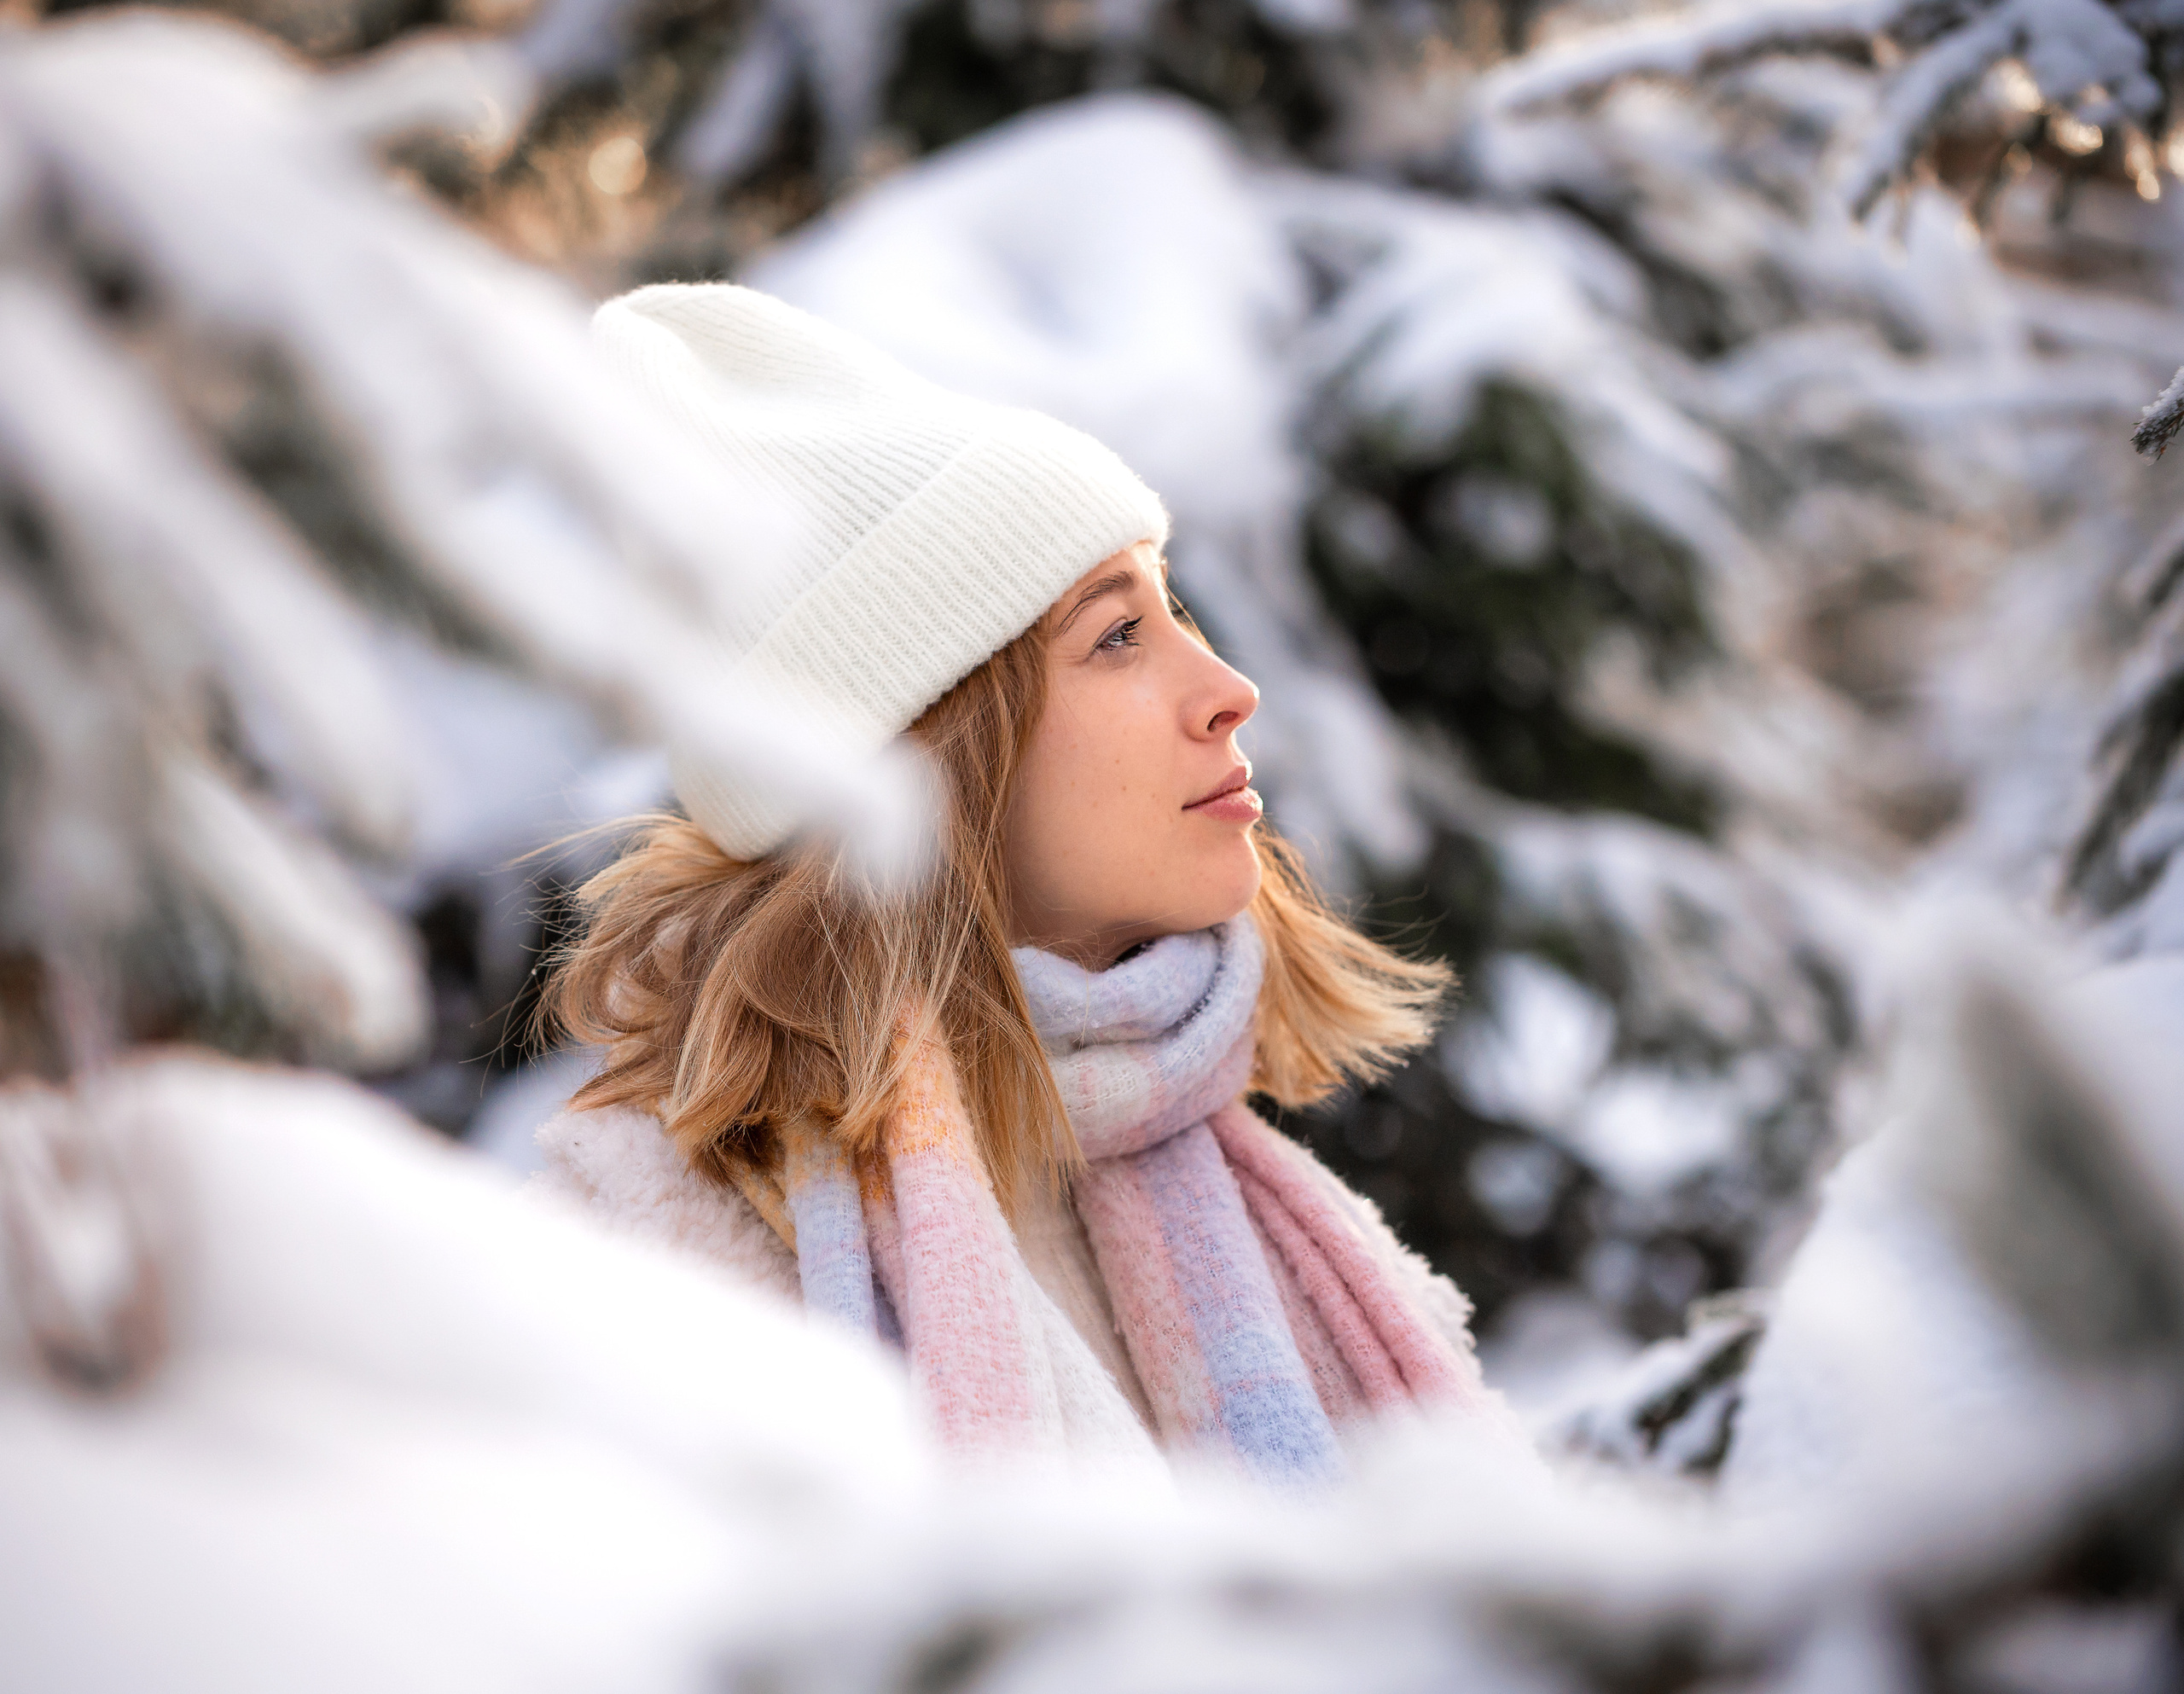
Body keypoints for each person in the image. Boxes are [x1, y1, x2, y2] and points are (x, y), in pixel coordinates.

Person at [534, 283, 1523, 1486]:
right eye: (1117, 636)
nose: (1227, 687)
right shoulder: (652, 1270)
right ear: (934, 759)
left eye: (1175, 609)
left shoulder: (1287, 1225)